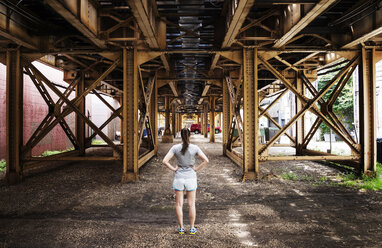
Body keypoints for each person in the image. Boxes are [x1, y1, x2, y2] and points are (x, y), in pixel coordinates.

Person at [162, 128, 209, 235]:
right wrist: (196, 169)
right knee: (191, 204)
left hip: (179, 178)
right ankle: (192, 228)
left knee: (179, 204)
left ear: (181, 136)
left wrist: (173, 169)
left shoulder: (175, 148)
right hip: (191, 177)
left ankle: (181, 228)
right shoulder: (194, 148)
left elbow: (164, 161)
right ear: (190, 136)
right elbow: (206, 160)